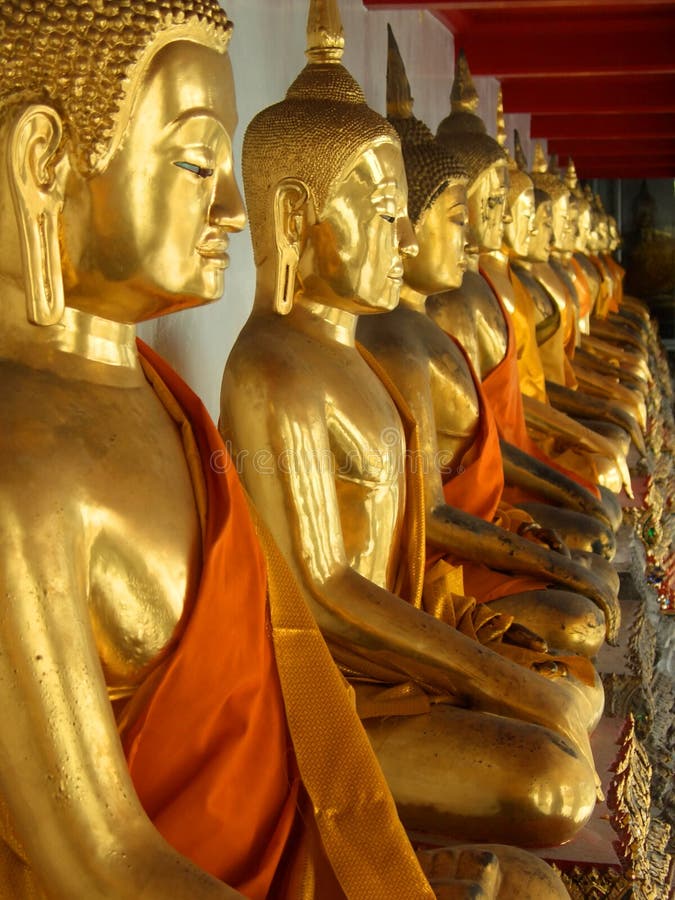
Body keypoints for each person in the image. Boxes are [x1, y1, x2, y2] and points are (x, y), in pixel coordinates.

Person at [0, 2, 445, 897]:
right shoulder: (24, 461)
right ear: (45, 162)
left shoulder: (164, 400)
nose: (235, 212)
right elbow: (98, 860)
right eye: (199, 161)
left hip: (287, 800)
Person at [222, 0, 599, 852]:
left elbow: (424, 515)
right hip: (333, 687)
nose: (400, 237)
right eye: (381, 209)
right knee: (553, 781)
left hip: (403, 634)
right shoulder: (273, 367)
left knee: (571, 678)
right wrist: (503, 683)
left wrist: (503, 661)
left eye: (404, 210)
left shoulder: (359, 353)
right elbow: (322, 591)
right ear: (292, 218)